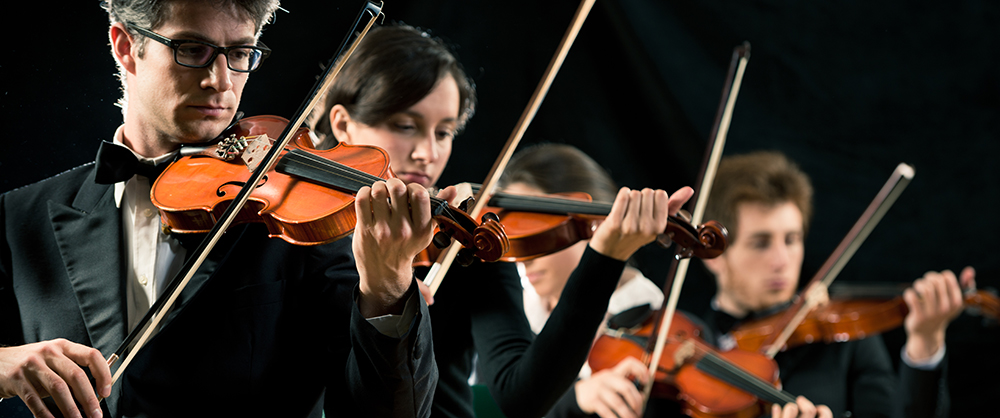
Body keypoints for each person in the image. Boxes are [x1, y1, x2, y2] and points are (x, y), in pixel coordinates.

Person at [0, 1, 438, 417]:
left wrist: (387, 289)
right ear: (126, 47)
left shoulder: (297, 213)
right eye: (192, 50)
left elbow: (382, 412)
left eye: (240, 53)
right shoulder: (18, 216)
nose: (221, 81)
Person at [307, 24, 696, 418]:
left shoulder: (466, 239)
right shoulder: (283, 229)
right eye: (406, 126)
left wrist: (605, 257)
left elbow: (521, 394)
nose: (428, 152)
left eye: (444, 132)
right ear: (341, 123)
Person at [499, 144, 831, 418]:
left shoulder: (661, 327)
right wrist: (577, 398)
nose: (525, 254)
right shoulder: (508, 316)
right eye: (517, 235)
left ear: (594, 227)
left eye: (541, 235)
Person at [691, 151, 973, 418]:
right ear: (713, 255)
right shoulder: (684, 352)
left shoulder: (844, 336)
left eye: (791, 240)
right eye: (761, 243)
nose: (781, 260)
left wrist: (926, 343)